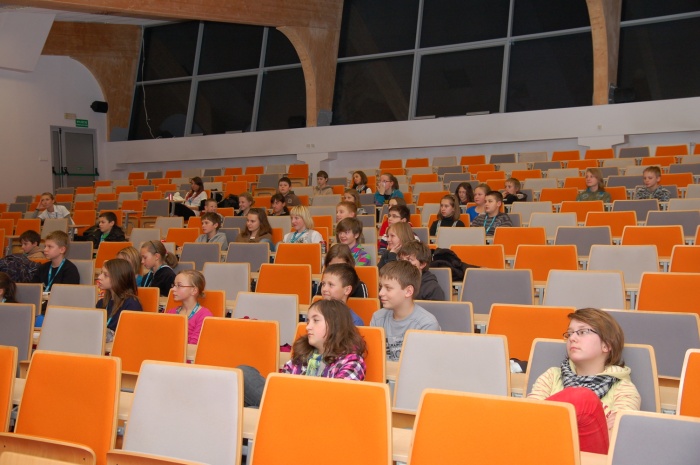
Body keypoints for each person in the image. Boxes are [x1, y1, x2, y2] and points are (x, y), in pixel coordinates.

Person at [528, 308, 640, 454]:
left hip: (593, 458)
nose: (572, 338)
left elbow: (617, 439)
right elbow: (529, 417)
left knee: (583, 398)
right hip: (545, 451)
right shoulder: (552, 376)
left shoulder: (624, 388)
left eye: (582, 332)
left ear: (606, 345)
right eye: (570, 333)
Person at [240, 299, 367, 407]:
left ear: (335, 325)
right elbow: (282, 384)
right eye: (308, 321)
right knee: (244, 374)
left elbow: (336, 400)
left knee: (245, 376)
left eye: (315, 321)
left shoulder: (352, 361)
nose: (308, 327)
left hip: (317, 414)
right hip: (289, 406)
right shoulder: (304, 353)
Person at [371, 260, 440, 361]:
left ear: (408, 291)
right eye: (381, 287)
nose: (380, 293)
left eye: (388, 288)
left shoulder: (427, 324)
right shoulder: (378, 318)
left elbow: (424, 364)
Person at [96, 258, 142, 342]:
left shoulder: (132, 304)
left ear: (118, 278)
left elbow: (130, 337)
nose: (99, 277)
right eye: (101, 273)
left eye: (105, 275)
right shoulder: (101, 303)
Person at [166, 270, 213, 344]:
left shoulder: (205, 316)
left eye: (179, 285)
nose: (173, 289)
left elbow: (195, 345)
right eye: (174, 285)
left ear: (194, 290)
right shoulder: (170, 312)